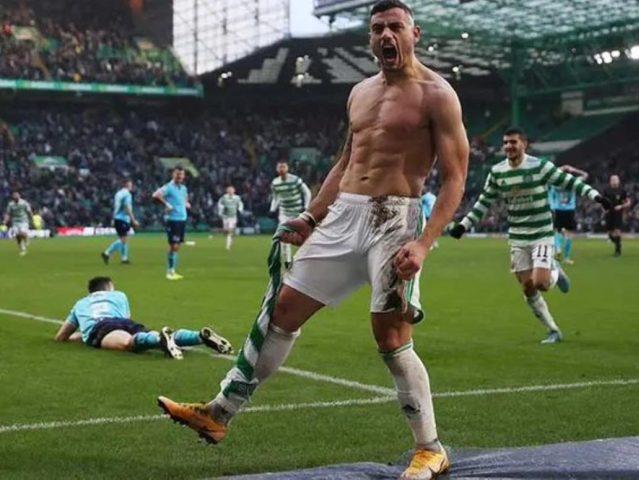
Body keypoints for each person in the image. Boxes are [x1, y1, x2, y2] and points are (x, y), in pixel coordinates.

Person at [157, 2, 469, 478]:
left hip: (395, 219)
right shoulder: (360, 92)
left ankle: (430, 448)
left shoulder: (438, 95)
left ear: (415, 33)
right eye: (378, 28)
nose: (386, 35)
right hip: (343, 216)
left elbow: (455, 178)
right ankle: (218, 413)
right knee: (282, 310)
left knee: (390, 335)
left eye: (395, 27)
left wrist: (424, 243)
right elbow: (345, 163)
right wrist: (309, 217)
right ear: (370, 37)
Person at [449, 127, 611, 344]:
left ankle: (555, 271)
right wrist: (464, 225)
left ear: (524, 144)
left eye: (513, 142)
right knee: (528, 287)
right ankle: (553, 330)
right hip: (518, 238)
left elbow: (570, 182)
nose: (508, 146)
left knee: (541, 283)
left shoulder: (540, 166)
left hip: (541, 233)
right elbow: (484, 202)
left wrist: (597, 197)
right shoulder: (497, 172)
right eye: (505, 143)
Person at [54, 276, 232, 358]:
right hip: (125, 323)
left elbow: (61, 336)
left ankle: (161, 340)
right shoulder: (119, 295)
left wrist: (82, 335)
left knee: (128, 343)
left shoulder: (80, 303)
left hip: (101, 327)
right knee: (147, 336)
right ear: (109, 287)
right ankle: (198, 336)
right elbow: (126, 318)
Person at [269, 162, 311, 268]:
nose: (281, 169)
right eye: (280, 167)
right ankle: (288, 262)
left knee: (303, 238)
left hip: (297, 212)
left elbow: (307, 192)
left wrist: (306, 206)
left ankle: (305, 259)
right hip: (284, 213)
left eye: (283, 166)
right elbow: (276, 197)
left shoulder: (295, 180)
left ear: (287, 168)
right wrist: (272, 209)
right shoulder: (275, 183)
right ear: (277, 169)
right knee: (284, 236)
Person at [153, 167, 191, 280]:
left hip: (182, 219)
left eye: (181, 174)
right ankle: (170, 272)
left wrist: (186, 203)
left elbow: (185, 199)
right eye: (177, 174)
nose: (179, 176)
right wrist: (166, 204)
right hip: (173, 219)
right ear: (173, 175)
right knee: (173, 245)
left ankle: (173, 270)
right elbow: (155, 195)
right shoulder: (168, 187)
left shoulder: (183, 188)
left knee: (177, 245)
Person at [548, 164, 588, 264]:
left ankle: (558, 248)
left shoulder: (556, 182)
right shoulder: (573, 182)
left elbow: (548, 176)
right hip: (570, 210)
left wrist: (560, 169)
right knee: (569, 234)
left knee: (557, 231)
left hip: (558, 209)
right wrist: (574, 169)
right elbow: (585, 175)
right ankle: (566, 258)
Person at [102, 179, 139, 265]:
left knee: (124, 238)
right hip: (123, 219)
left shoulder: (118, 193)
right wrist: (133, 220)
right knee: (123, 239)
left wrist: (113, 218)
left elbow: (116, 207)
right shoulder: (127, 194)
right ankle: (107, 253)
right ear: (127, 185)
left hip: (117, 219)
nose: (131, 186)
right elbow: (127, 208)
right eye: (130, 185)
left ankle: (124, 258)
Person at [605, 174, 631, 256]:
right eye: (612, 180)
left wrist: (621, 206)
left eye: (615, 179)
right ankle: (617, 242)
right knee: (610, 233)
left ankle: (618, 251)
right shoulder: (606, 190)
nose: (614, 181)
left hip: (618, 213)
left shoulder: (622, 191)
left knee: (617, 231)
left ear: (618, 181)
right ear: (610, 181)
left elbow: (628, 202)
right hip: (609, 213)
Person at [3, 191, 33, 256]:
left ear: (19, 196)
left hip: (23, 220)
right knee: (17, 236)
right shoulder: (10, 204)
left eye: (17, 196)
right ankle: (23, 249)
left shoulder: (24, 203)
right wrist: (5, 220)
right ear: (13, 197)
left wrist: (31, 218)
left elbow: (29, 211)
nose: (16, 197)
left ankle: (27, 238)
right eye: (14, 196)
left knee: (21, 233)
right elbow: (8, 213)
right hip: (15, 222)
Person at [217, 186, 244, 251]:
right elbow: (219, 204)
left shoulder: (237, 198)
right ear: (227, 191)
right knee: (225, 231)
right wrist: (221, 211)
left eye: (232, 190)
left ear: (234, 191)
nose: (230, 192)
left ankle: (228, 246)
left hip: (233, 217)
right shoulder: (224, 198)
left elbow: (240, 204)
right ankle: (230, 237)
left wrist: (240, 210)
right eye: (229, 191)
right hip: (225, 217)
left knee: (230, 230)